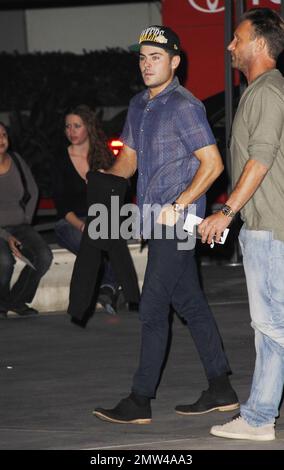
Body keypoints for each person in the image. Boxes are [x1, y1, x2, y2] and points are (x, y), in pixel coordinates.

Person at [93, 25, 239, 424]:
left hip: (178, 221)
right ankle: (221, 386)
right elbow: (131, 159)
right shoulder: (140, 104)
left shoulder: (184, 106)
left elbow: (213, 164)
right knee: (189, 302)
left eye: (155, 57)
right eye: (142, 57)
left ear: (175, 62)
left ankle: (139, 400)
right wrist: (106, 178)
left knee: (153, 308)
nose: (146, 64)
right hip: (154, 222)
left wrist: (178, 204)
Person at [198, 8, 284, 441]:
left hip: (269, 228)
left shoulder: (268, 90)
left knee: (272, 328)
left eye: (237, 38)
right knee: (273, 326)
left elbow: (261, 159)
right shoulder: (261, 91)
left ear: (260, 44)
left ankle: (258, 418)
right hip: (268, 226)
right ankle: (259, 415)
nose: (230, 46)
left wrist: (226, 211)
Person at [53, 105, 120, 315]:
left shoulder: (103, 156)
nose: (71, 131)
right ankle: (109, 286)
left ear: (88, 127)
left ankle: (106, 289)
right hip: (70, 222)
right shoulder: (60, 159)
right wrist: (81, 225)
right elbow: (61, 205)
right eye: (67, 126)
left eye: (76, 126)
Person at [0, 121, 53, 318]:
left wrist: (26, 220)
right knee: (4, 261)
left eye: (4, 135)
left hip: (20, 225)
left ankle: (16, 300)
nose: (1, 140)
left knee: (44, 256)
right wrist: (7, 237)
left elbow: (33, 190)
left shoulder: (16, 159)